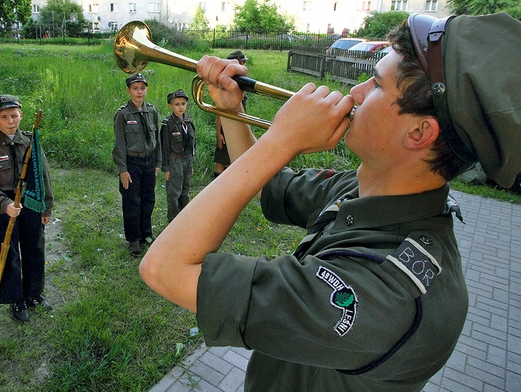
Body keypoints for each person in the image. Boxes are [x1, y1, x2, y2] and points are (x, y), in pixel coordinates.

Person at [140, 12, 521, 391]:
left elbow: (164, 268)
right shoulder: (371, 190)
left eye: (374, 84)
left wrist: (281, 141)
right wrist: (232, 111)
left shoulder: (391, 295)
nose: (354, 93)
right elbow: (269, 184)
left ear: (419, 132)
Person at [0, 94, 54, 322]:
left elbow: (43, 175)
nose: (10, 121)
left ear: (21, 115)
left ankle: (33, 293)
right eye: (4, 116)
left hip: (30, 202)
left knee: (34, 248)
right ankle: (16, 299)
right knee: (8, 253)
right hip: (4, 208)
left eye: (14, 115)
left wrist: (46, 207)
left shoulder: (31, 141)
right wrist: (4, 204)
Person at [112, 73, 162, 256]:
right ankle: (134, 239)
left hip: (149, 161)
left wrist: (158, 162)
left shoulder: (152, 111)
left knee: (148, 198)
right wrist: (123, 170)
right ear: (129, 90)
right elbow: (120, 143)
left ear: (146, 89)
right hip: (132, 161)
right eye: (135, 88)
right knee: (132, 200)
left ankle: (146, 234)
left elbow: (157, 139)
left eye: (142, 88)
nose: (139, 92)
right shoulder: (123, 114)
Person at [161, 89, 196, 222]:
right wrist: (166, 168)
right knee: (173, 193)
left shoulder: (189, 122)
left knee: (185, 191)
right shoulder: (168, 124)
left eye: (183, 104)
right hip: (174, 160)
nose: (180, 107)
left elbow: (193, 144)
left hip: (187, 160)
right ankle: (173, 220)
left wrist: (191, 163)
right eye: (177, 104)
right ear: (171, 106)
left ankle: (183, 219)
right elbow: (164, 147)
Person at [214, 50, 248, 178]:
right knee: (221, 159)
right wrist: (219, 133)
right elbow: (219, 112)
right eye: (243, 62)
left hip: (238, 123)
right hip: (225, 126)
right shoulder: (227, 83)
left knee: (232, 159)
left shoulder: (240, 81)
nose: (244, 65)